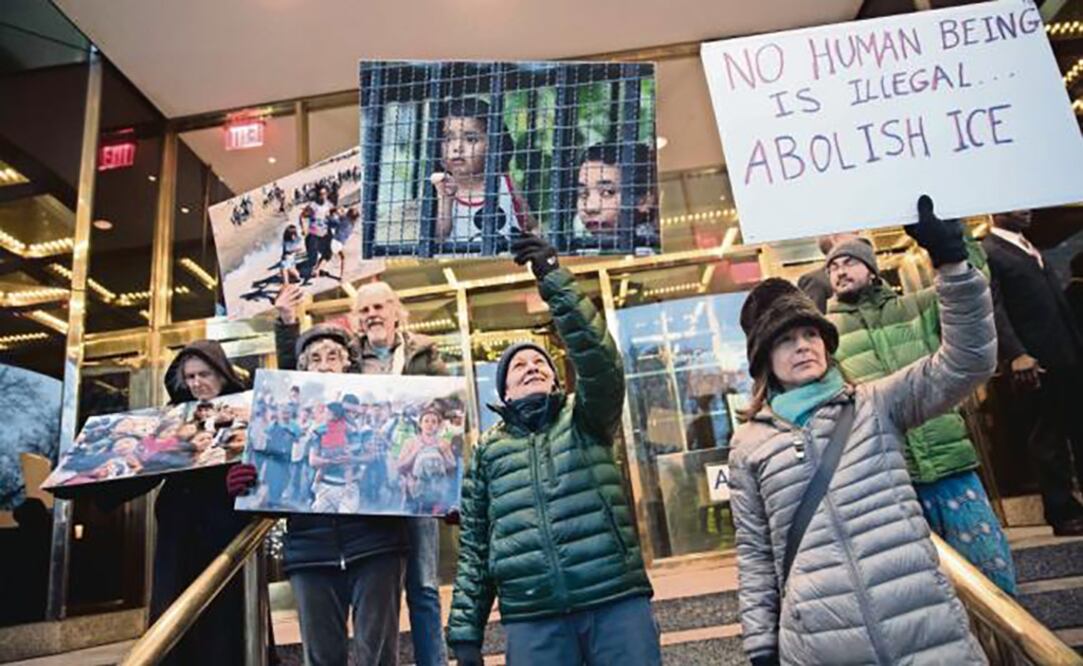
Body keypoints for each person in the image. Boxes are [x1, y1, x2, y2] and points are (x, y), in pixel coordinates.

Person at [729, 196, 991, 665]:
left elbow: (968, 361)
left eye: (811, 334)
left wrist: (953, 264)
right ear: (764, 360)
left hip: (924, 626)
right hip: (822, 644)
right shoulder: (749, 445)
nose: (803, 346)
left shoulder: (876, 402)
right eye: (786, 340)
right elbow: (753, 554)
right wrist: (761, 646)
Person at [446, 235, 660, 666]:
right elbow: (475, 549)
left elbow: (599, 359)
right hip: (533, 616)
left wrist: (553, 277)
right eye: (518, 367)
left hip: (613, 597)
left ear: (557, 380)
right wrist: (465, 630)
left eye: (539, 362)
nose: (530, 367)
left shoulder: (585, 419)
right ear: (503, 393)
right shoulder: (486, 453)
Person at [824, 235, 1016, 593]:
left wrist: (951, 235)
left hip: (950, 467)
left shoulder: (918, 307)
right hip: (891, 478)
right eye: (833, 267)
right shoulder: (826, 335)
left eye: (849, 262)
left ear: (871, 269)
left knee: (990, 570)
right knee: (920, 586)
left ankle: (1002, 649)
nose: (839, 271)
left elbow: (975, 280)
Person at [274, 281, 450, 666]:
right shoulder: (350, 362)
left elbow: (446, 408)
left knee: (421, 586)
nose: (373, 314)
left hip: (396, 505)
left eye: (379, 306)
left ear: (396, 309)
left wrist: (446, 487)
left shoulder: (424, 354)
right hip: (325, 534)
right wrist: (287, 323)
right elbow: (292, 373)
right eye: (364, 308)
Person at [52, 341, 256, 665]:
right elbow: (141, 471)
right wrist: (82, 484)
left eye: (204, 374)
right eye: (189, 376)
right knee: (173, 616)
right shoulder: (172, 421)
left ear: (221, 374)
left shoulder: (247, 413)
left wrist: (247, 481)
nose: (196, 383)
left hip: (225, 531)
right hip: (178, 534)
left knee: (223, 618)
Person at [228, 324, 408, 666]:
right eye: (314, 359)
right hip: (310, 551)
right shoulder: (292, 422)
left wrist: (436, 495)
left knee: (380, 657)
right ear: (303, 369)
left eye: (333, 356)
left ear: (348, 365)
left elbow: (393, 467)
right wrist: (247, 482)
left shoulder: (369, 412)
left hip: (376, 546)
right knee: (322, 658)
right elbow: (280, 475)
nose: (324, 365)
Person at [983, 209, 1083, 536]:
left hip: (1066, 354)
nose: (1025, 210)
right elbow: (993, 307)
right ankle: (1062, 511)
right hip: (1035, 362)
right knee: (1049, 437)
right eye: (1014, 206)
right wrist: (1016, 353)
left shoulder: (1028, 246)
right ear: (994, 212)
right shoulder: (990, 252)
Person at [431, 97, 533, 245]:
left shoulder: (506, 185)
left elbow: (531, 226)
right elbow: (436, 238)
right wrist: (445, 200)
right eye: (448, 139)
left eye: (471, 140)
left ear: (494, 145)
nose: (457, 147)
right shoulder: (438, 188)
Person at [574, 142, 659, 249]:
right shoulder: (581, 247)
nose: (590, 208)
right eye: (582, 194)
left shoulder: (650, 248)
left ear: (644, 200)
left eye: (607, 192)